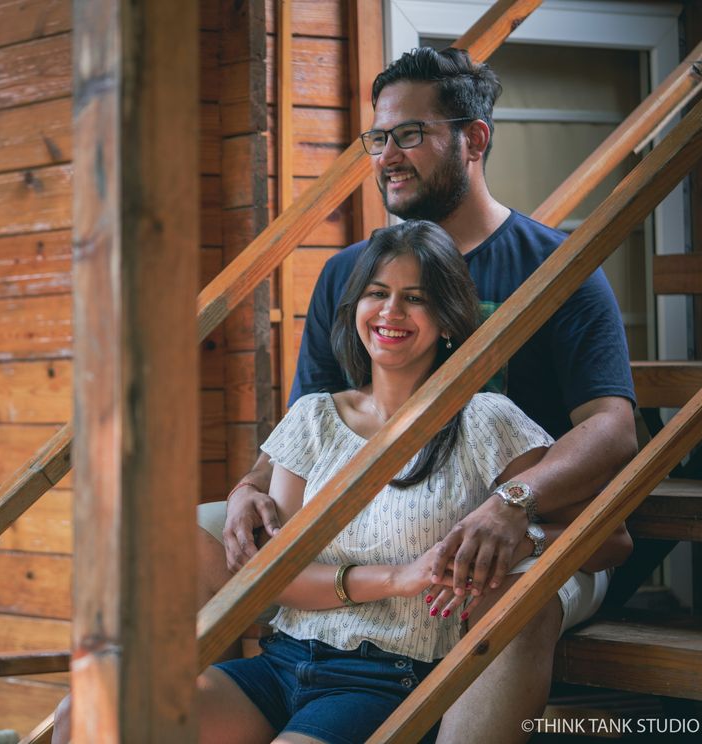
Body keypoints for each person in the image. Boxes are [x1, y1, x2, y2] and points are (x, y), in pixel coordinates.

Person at [200, 47, 638, 742]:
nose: (388, 155)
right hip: (384, 514)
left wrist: (511, 505)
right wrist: (253, 484)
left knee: (511, 589)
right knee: (197, 535)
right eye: (380, 138)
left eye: (410, 135)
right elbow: (310, 416)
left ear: (474, 139)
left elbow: (614, 431)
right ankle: (200, 696)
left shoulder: (560, 267)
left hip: (536, 522)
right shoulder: (351, 272)